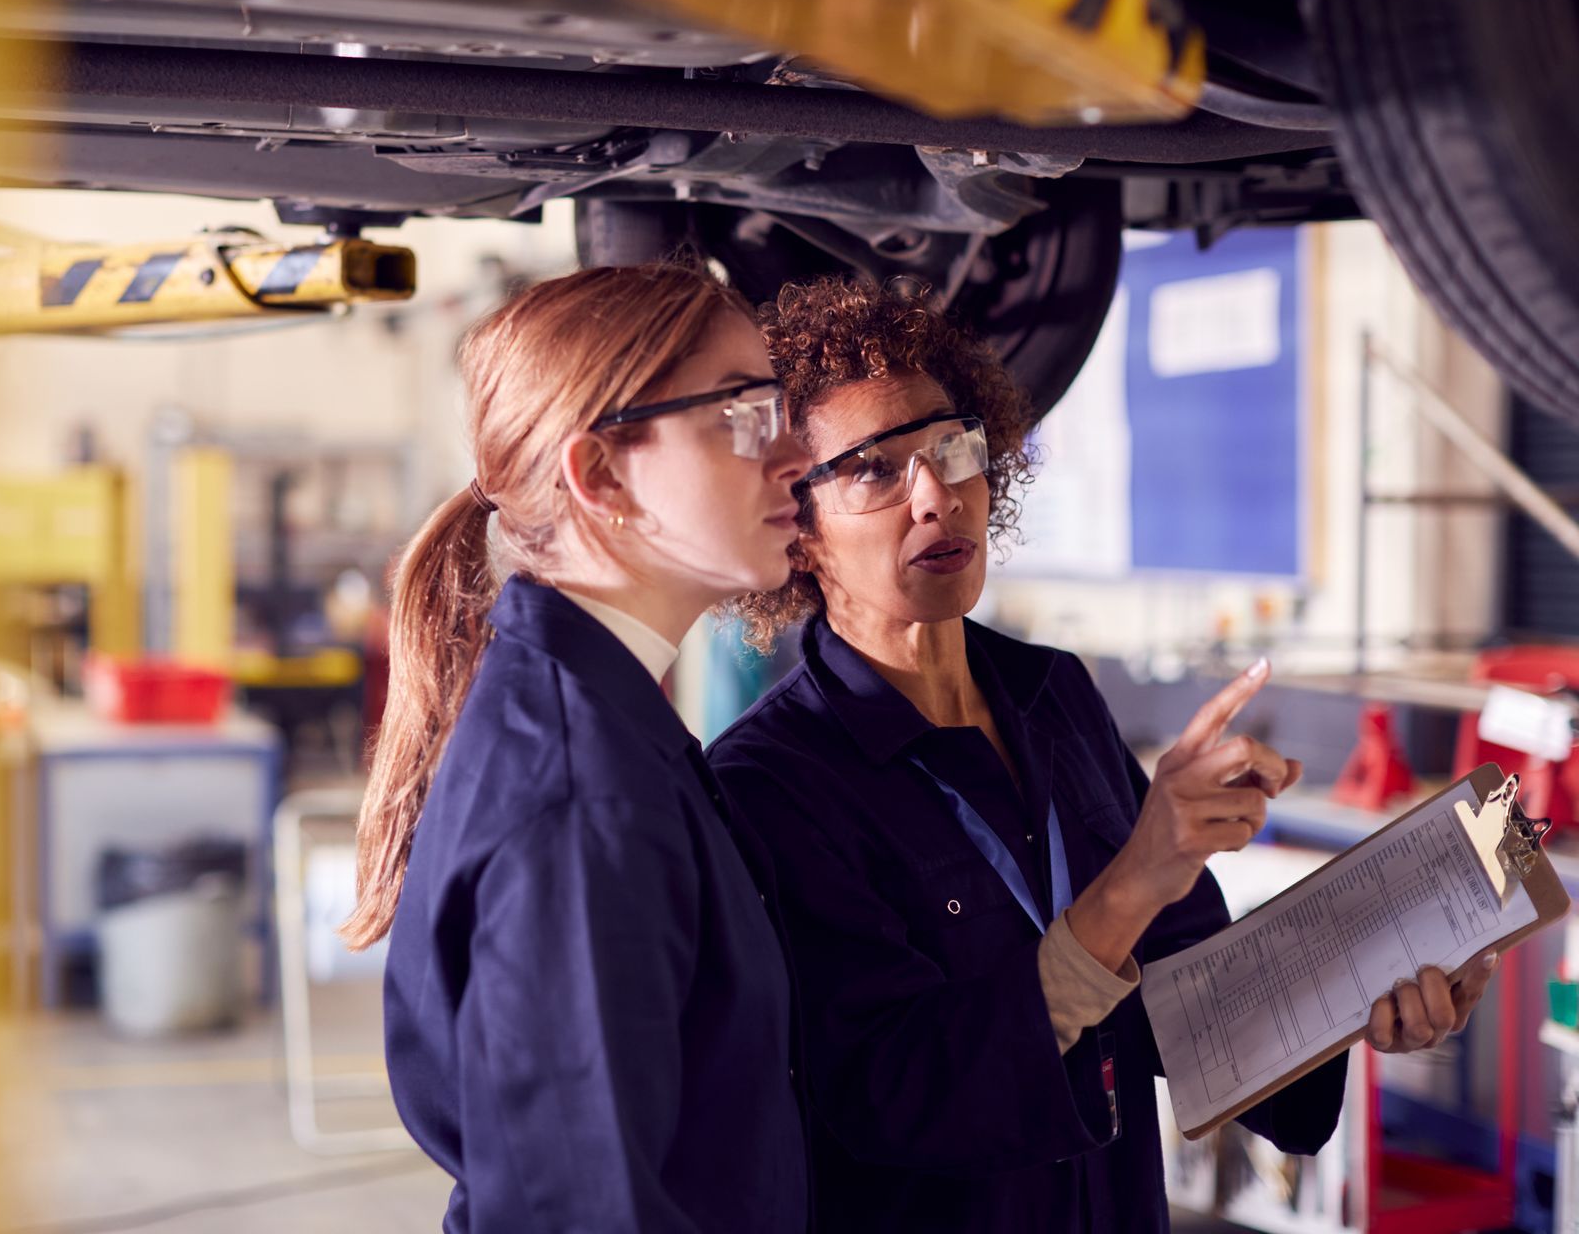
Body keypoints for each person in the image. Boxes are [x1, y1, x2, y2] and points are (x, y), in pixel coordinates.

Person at [708, 275, 1497, 1232]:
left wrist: (1363, 990)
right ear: (800, 528)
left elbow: (1194, 997)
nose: (938, 496)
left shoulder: (1055, 697)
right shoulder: (773, 780)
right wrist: (1135, 879)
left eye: (951, 447)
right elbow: (896, 1088)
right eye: (875, 470)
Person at [343, 262, 814, 1233]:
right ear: (599, 473)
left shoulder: (605, 725)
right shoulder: (583, 795)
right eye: (743, 413)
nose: (796, 453)